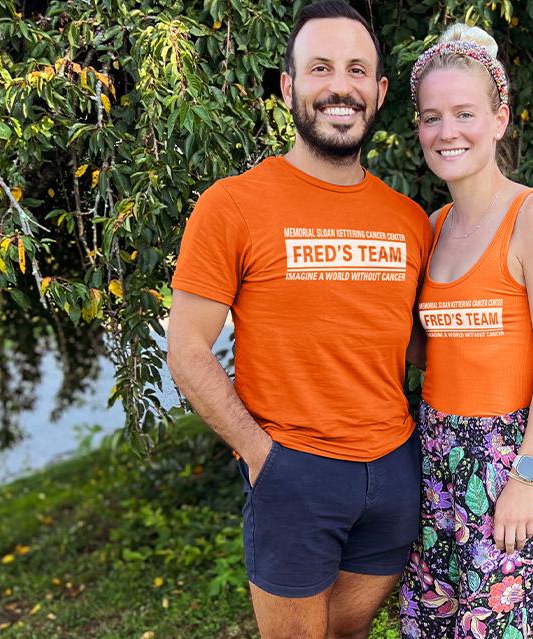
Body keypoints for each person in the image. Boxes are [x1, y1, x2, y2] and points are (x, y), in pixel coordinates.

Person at [166, 2, 433, 638]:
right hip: (293, 470)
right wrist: (260, 455)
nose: (340, 86)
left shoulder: (409, 219)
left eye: (357, 70)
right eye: (320, 68)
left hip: (394, 470)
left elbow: (429, 347)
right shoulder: (232, 204)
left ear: (379, 91)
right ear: (288, 86)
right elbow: (186, 348)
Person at [400, 23, 533, 639]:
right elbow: (423, 348)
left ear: (500, 119)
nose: (446, 131)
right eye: (431, 116)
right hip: (433, 453)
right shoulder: (429, 226)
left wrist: (526, 479)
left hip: (507, 456)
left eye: (464, 113)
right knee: (432, 622)